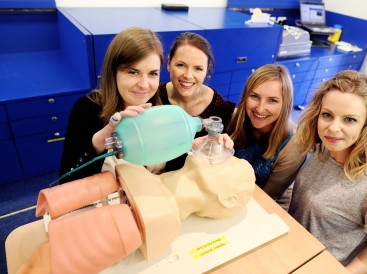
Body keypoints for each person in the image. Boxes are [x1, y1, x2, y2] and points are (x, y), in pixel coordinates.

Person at [20, 153, 255, 273]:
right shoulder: (139, 177)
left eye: (230, 163)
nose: (220, 155)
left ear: (228, 198)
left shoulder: (153, 217)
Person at [288, 70, 367, 273]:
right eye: (327, 115)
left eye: (349, 119)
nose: (333, 128)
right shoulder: (324, 149)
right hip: (292, 248)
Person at [58, 27, 164, 183]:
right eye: (133, 72)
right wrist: (98, 143)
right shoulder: (87, 109)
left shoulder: (162, 104)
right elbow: (66, 179)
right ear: (113, 72)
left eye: (153, 73)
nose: (144, 84)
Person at [227, 64, 306, 208]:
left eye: (272, 100)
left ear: (285, 104)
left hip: (264, 203)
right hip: (228, 191)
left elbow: (268, 197)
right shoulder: (234, 119)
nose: (260, 108)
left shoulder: (294, 147)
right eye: (254, 96)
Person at [158, 32, 236, 171]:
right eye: (181, 65)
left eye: (198, 68)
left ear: (207, 71)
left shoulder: (220, 109)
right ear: (169, 63)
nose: (188, 75)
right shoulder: (155, 97)